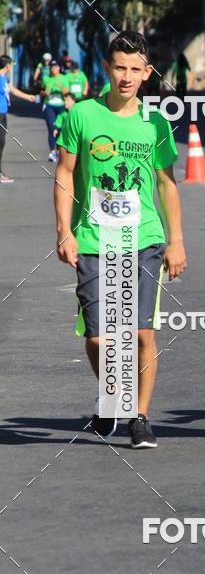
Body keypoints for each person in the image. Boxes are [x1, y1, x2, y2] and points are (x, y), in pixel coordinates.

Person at [54, 30, 186, 448]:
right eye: (119, 68)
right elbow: (64, 174)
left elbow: (167, 184)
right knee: (99, 338)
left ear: (147, 73)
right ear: (107, 68)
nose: (126, 77)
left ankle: (139, 418)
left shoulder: (156, 122)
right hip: (93, 239)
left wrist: (176, 240)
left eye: (135, 69)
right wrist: (64, 232)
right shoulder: (82, 116)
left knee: (141, 332)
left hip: (144, 238)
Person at [0, 54, 37, 183]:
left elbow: (13, 90)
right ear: (7, 65)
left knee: (2, 142)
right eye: (11, 64)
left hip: (3, 114)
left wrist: (28, 97)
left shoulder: (4, 78)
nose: (11, 67)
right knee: (0, 142)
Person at [41, 61, 67, 161]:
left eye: (55, 66)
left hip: (61, 106)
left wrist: (61, 88)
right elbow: (41, 91)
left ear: (59, 68)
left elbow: (67, 92)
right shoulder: (46, 79)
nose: (53, 68)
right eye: (51, 67)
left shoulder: (64, 78)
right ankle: (52, 151)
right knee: (52, 128)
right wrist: (45, 92)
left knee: (60, 128)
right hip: (49, 105)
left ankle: (59, 151)